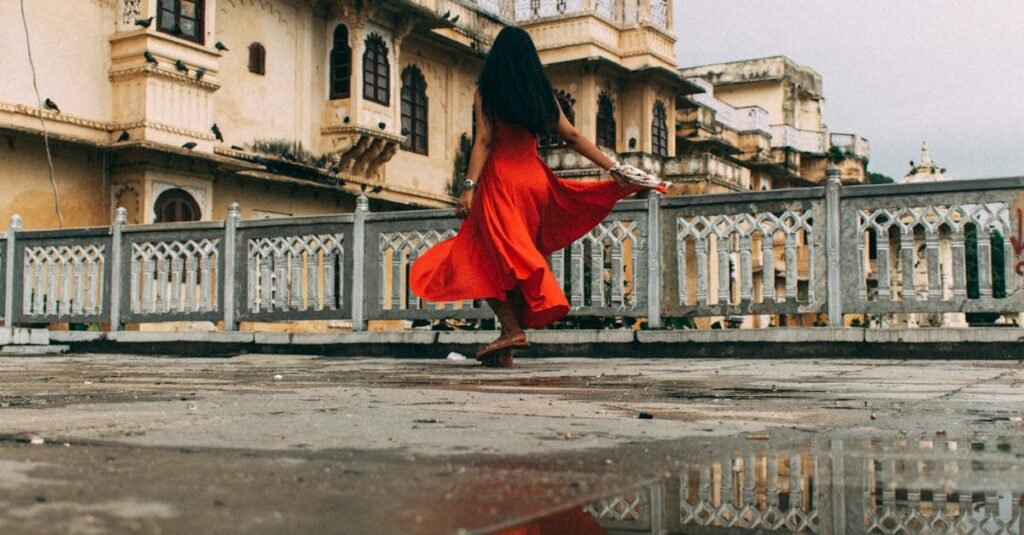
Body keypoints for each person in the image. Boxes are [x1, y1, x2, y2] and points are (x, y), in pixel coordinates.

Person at [409, 27, 667, 367]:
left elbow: (484, 141)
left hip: (502, 182)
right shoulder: (541, 95)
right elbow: (572, 136)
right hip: (535, 183)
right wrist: (615, 168)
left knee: (479, 255)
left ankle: (511, 329)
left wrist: (469, 186)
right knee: (513, 259)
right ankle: (506, 347)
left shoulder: (487, 92)